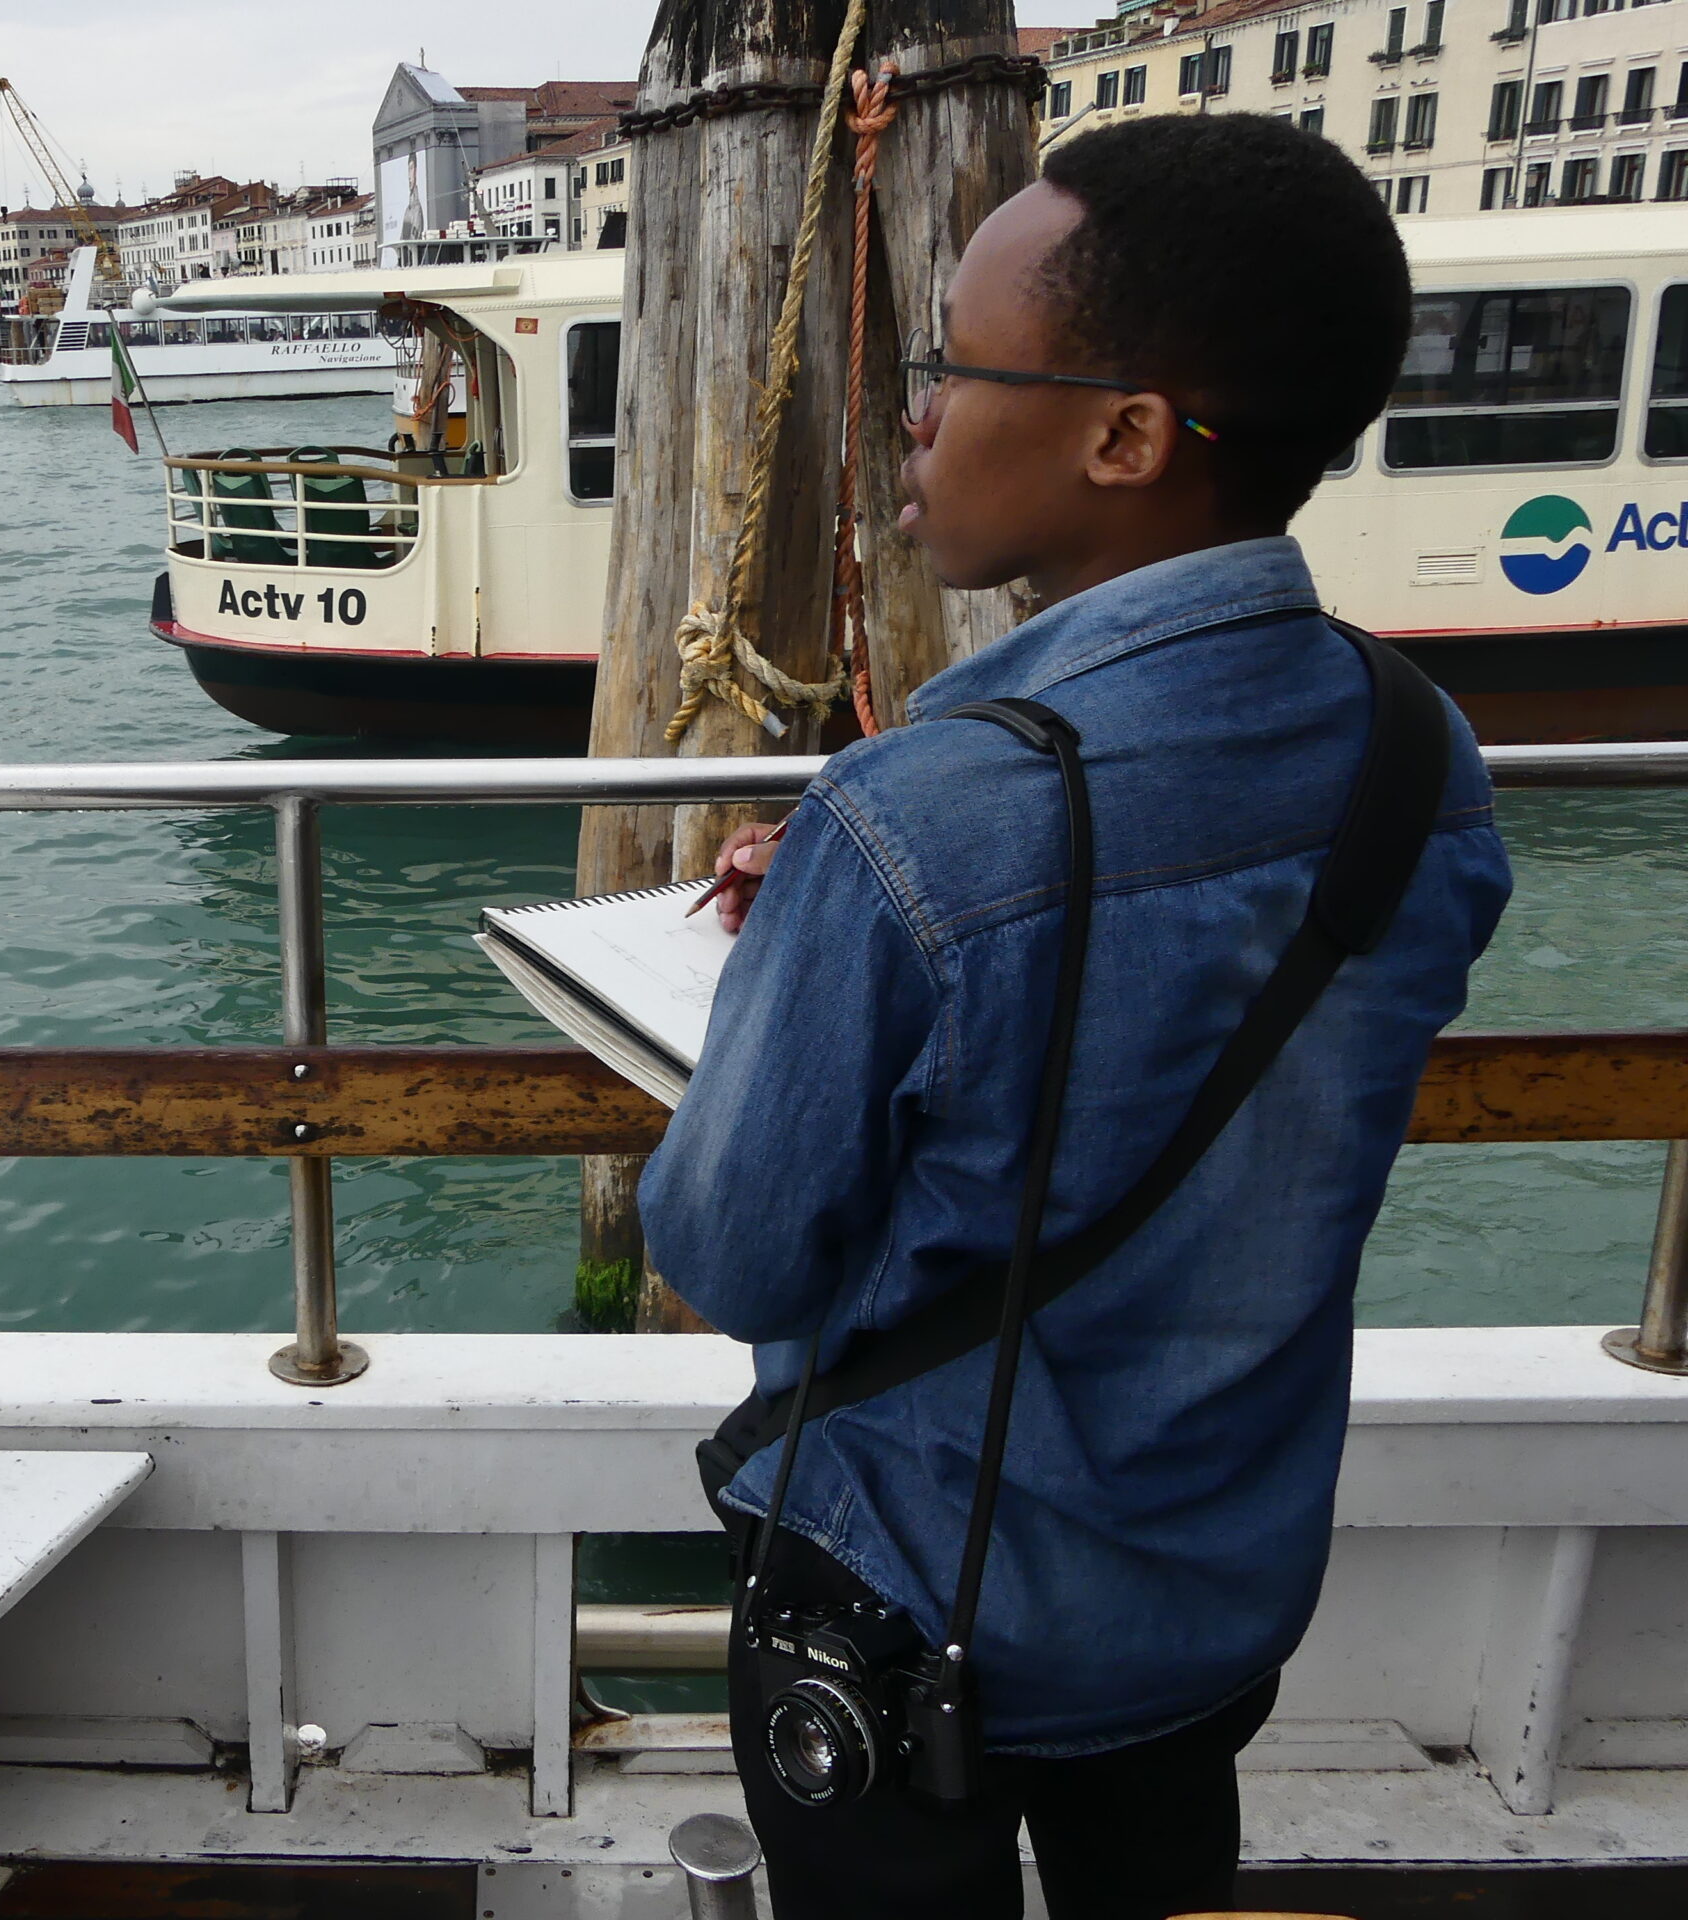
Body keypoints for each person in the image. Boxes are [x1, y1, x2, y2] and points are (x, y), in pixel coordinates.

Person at [638, 113, 1513, 1920]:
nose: (919, 415)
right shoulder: (1420, 755)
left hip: (911, 1598)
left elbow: (734, 1255)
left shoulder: (917, 824)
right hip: (1212, 1584)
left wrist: (803, 961)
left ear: (1125, 435)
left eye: (953, 365)